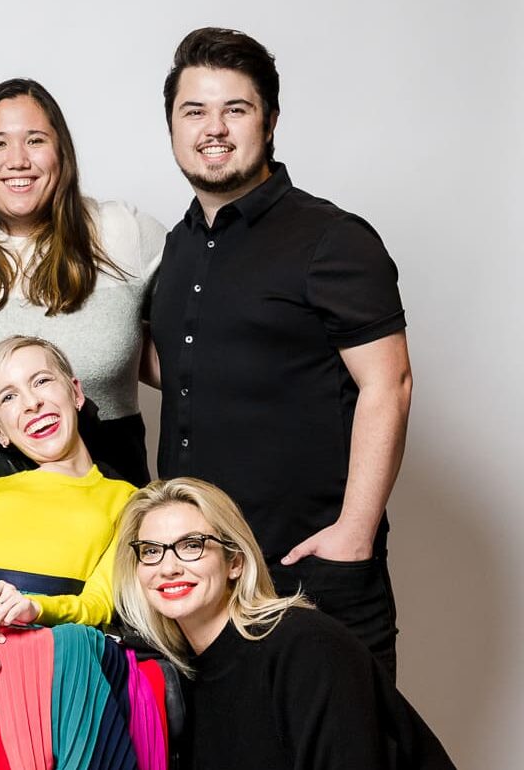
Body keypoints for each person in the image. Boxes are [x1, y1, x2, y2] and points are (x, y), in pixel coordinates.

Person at [146, 28, 413, 675]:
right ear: (173, 126)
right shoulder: (177, 249)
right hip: (205, 586)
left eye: (235, 109)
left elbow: (390, 383)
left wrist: (352, 534)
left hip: (311, 571)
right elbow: (180, 369)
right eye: (194, 111)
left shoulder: (331, 239)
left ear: (268, 122)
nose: (213, 128)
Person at [0, 78, 166, 485]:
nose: (17, 160)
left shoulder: (123, 233)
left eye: (35, 140)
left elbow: (199, 346)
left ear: (61, 151)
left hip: (108, 502)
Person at [0, 336, 165, 770]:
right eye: (9, 397)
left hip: (62, 635)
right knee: (53, 650)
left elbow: (98, 603)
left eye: (41, 381)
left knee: (77, 646)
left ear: (75, 393)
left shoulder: (129, 500)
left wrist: (36, 608)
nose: (32, 403)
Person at [114, 477, 454, 769]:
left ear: (235, 562)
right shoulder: (176, 679)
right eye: (151, 550)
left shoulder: (305, 645)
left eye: (191, 545)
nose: (168, 567)